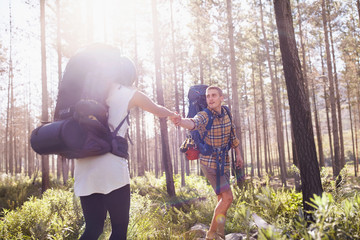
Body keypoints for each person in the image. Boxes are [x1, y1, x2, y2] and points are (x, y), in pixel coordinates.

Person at [73, 45, 178, 240]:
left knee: (92, 229)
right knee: (119, 231)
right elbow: (157, 109)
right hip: (111, 165)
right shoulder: (128, 93)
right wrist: (173, 115)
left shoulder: (88, 93)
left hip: (84, 165)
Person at [172, 86, 243, 240]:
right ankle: (210, 234)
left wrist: (238, 154)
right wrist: (180, 121)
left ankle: (220, 235)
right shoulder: (205, 115)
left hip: (224, 162)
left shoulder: (227, 113)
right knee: (228, 198)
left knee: (221, 200)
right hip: (209, 163)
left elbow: (233, 135)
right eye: (208, 96)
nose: (210, 99)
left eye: (213, 95)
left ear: (221, 98)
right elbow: (193, 122)